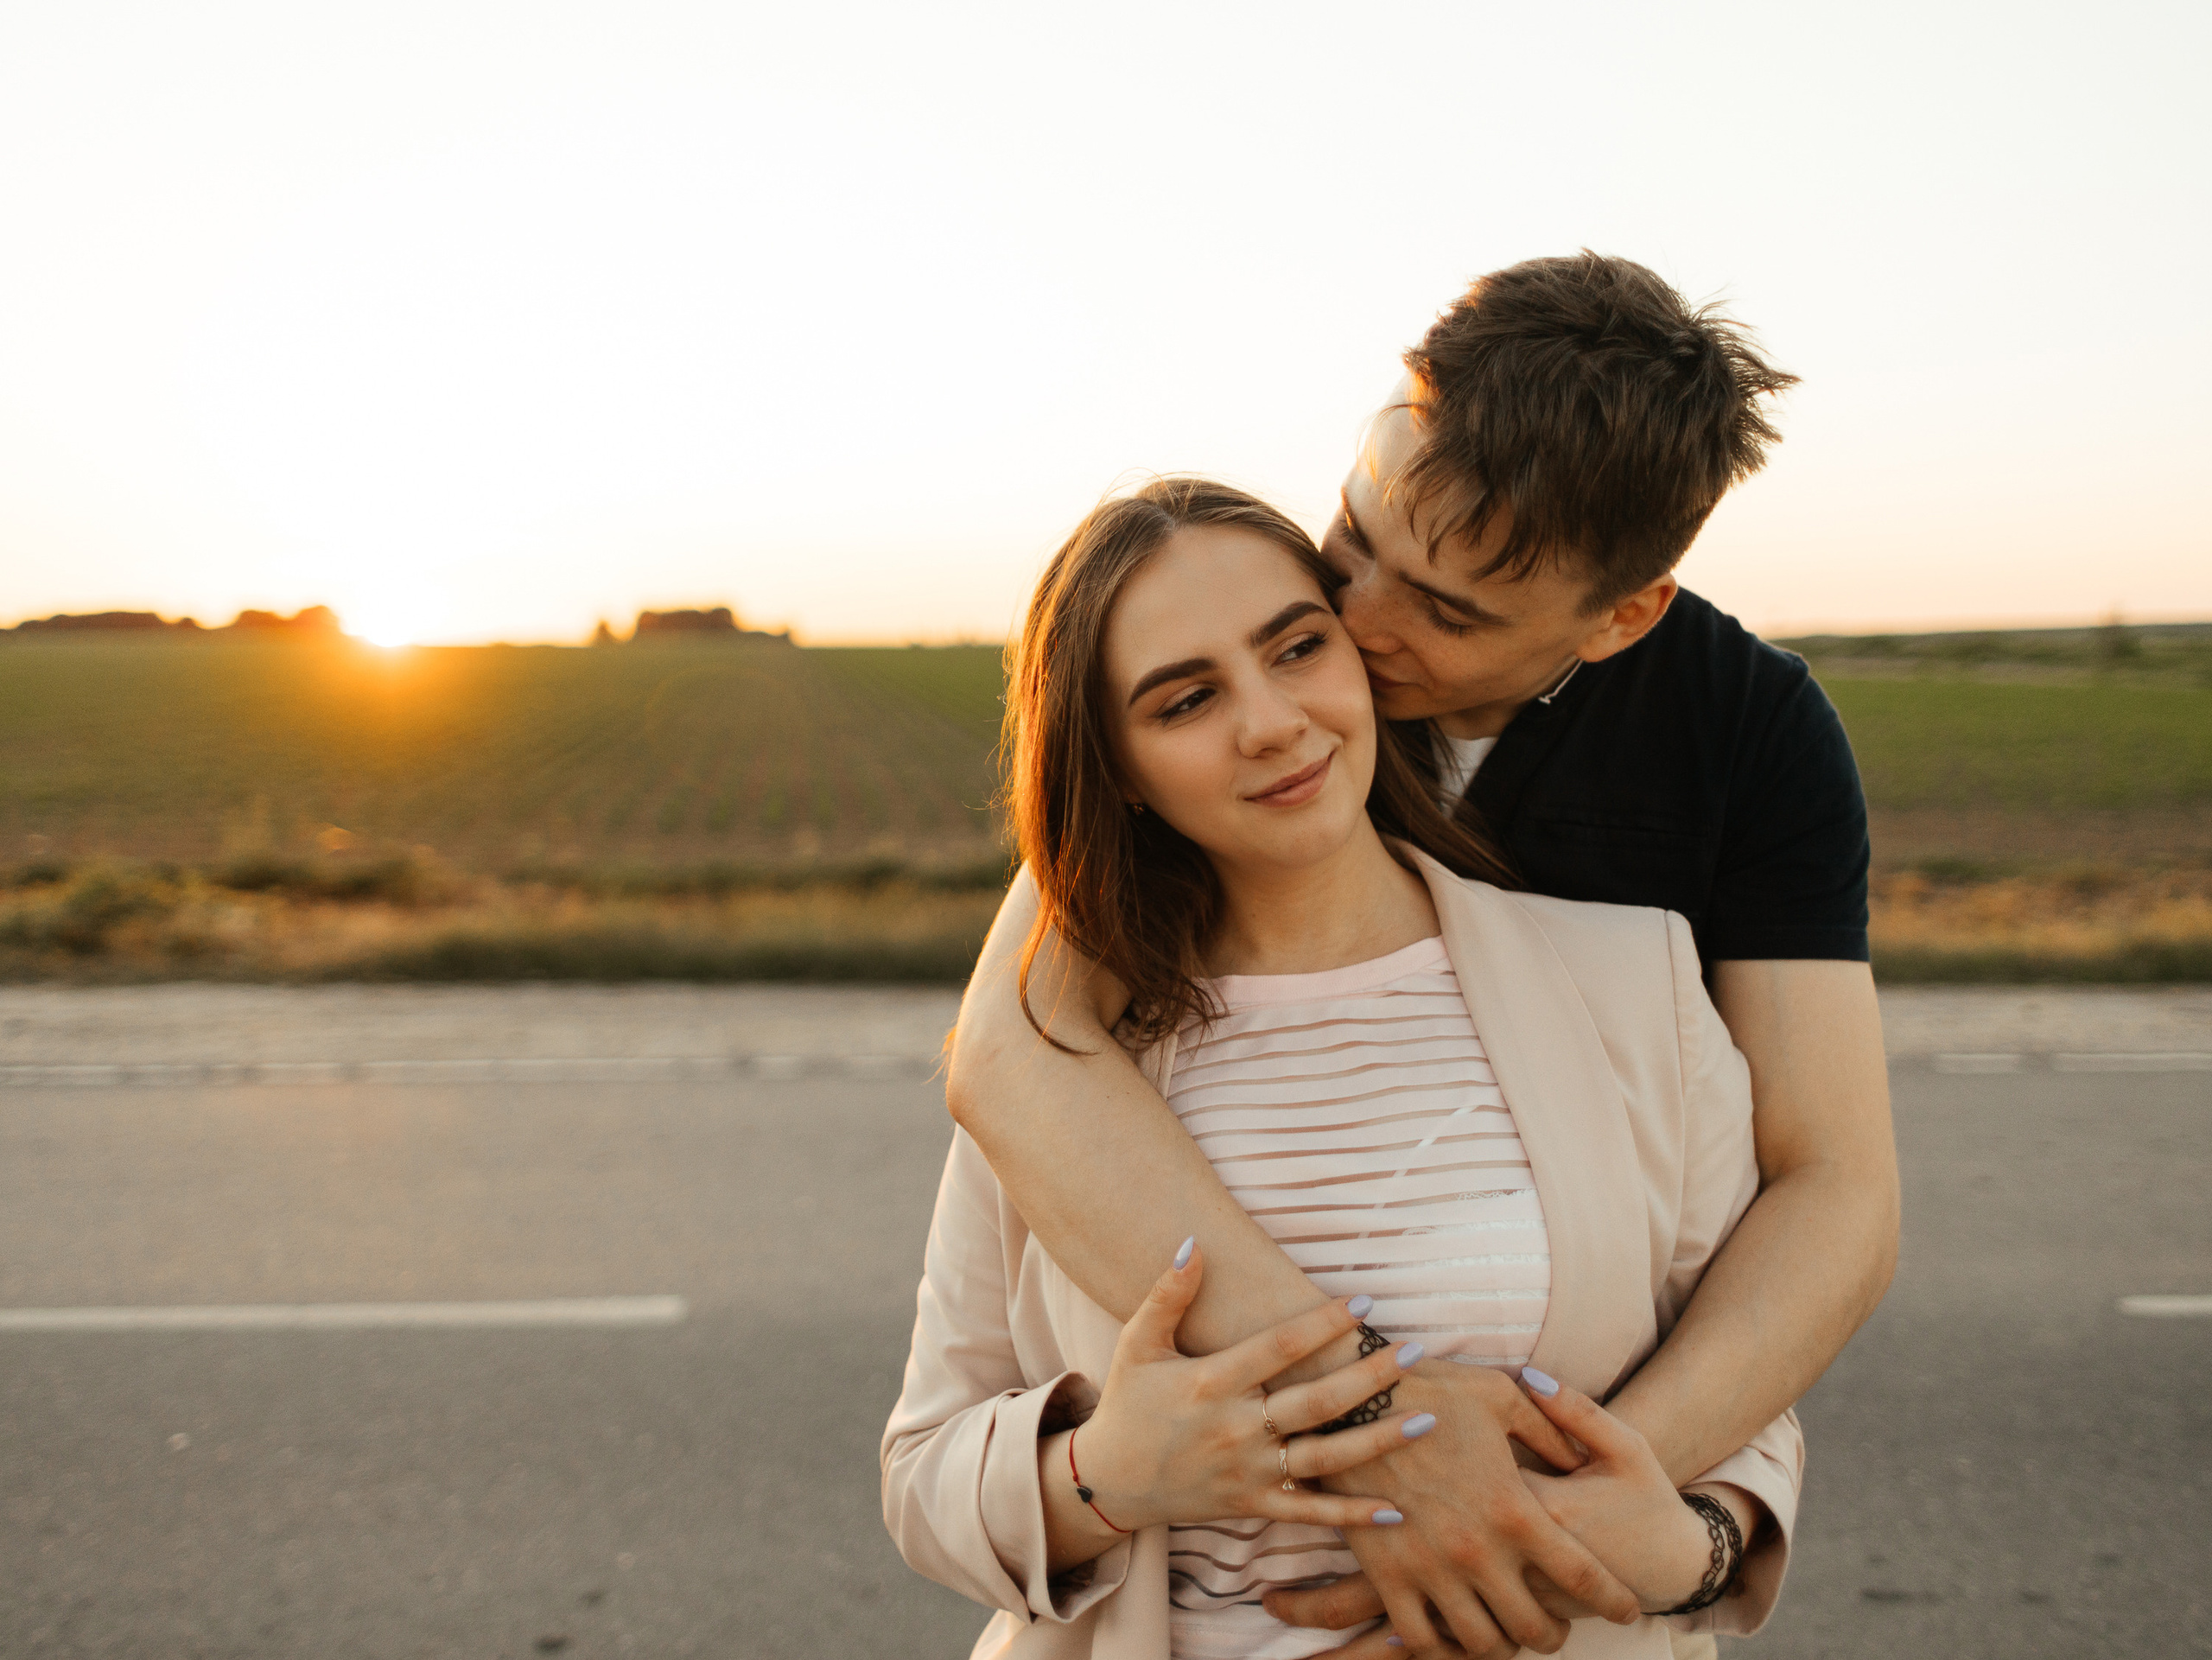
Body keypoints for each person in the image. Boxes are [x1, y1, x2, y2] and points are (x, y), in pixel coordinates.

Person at [943, 254, 1897, 1660]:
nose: (1362, 627)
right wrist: (1378, 1424)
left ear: (1621, 617)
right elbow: (1012, 1055)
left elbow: (1835, 1187)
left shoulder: (1747, 734)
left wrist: (1532, 1521)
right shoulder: (1264, 651)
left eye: (1449, 612)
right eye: (1358, 537)